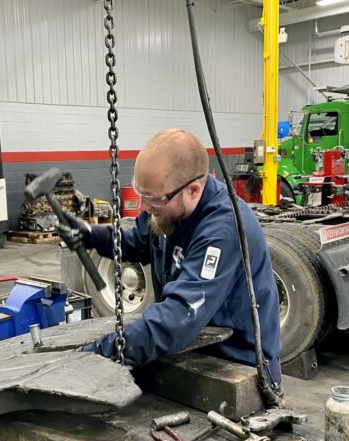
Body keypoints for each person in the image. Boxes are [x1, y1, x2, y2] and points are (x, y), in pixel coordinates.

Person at [59, 129, 282, 385]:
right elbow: (138, 242)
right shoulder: (168, 207)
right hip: (192, 351)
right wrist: (91, 235)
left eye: (153, 199)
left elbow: (178, 318)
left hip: (238, 368)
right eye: (141, 194)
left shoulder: (223, 230)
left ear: (194, 190)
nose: (144, 207)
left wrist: (98, 354)